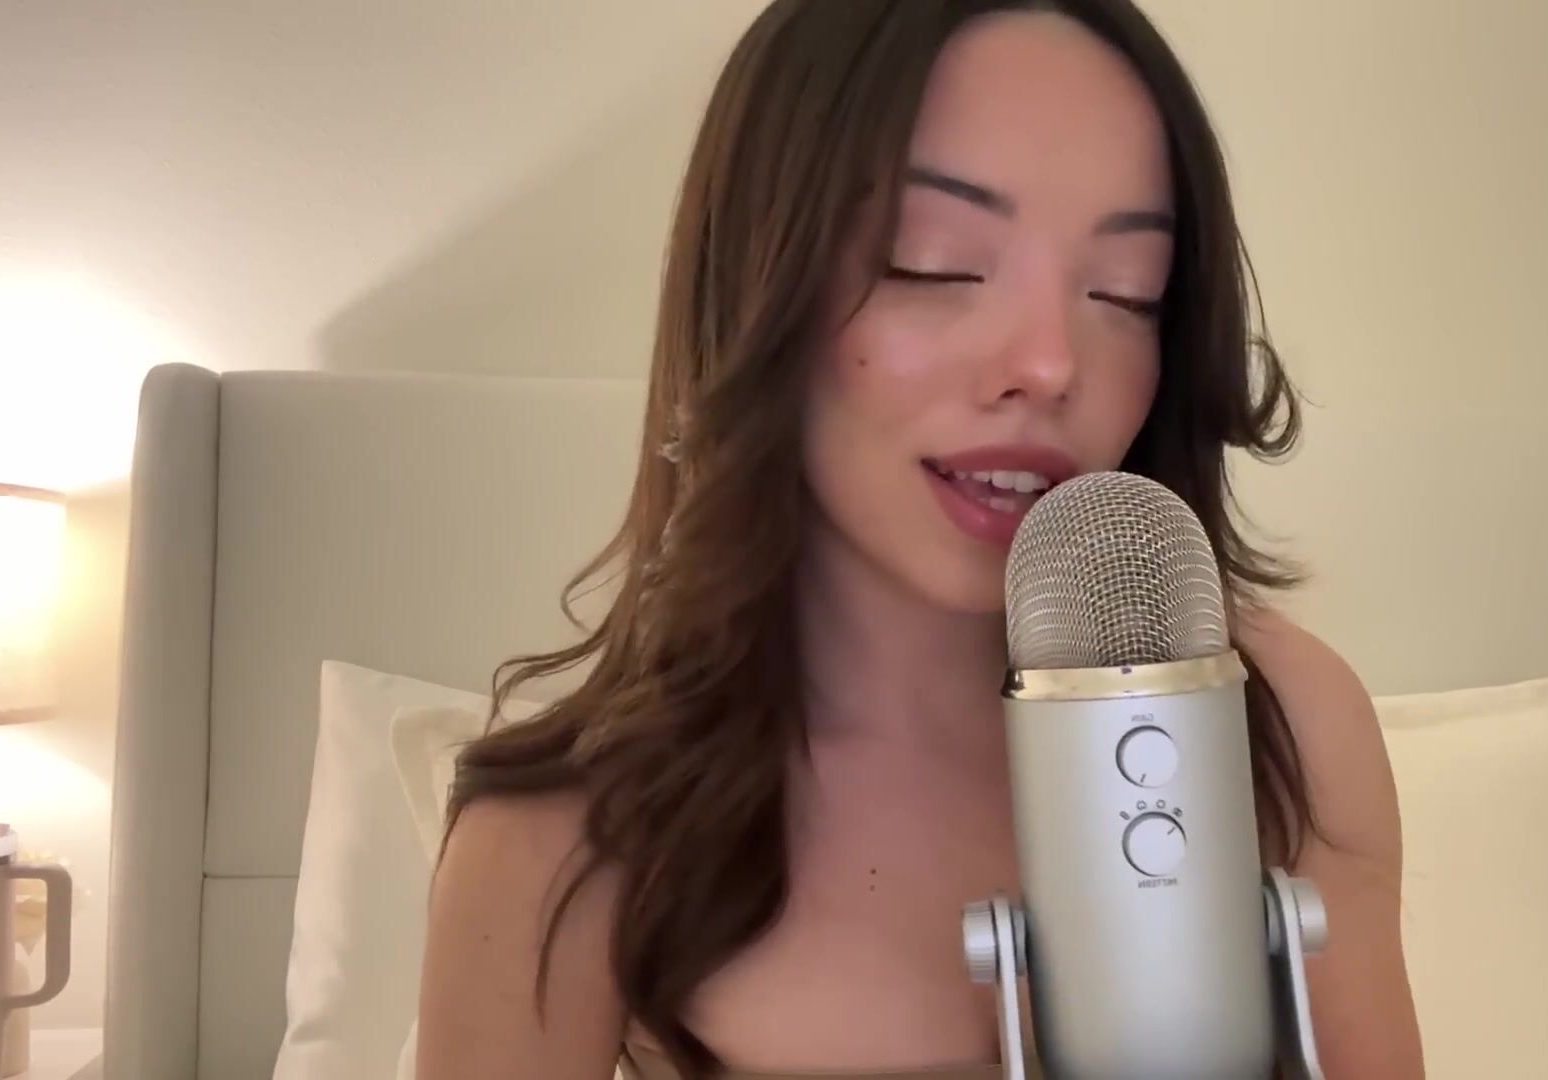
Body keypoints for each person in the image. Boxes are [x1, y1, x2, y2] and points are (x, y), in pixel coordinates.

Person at [416, 1, 1423, 1077]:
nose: (1050, 363)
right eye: (934, 263)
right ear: (759, 288)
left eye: (1126, 292)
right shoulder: (555, 848)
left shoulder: (1281, 724)